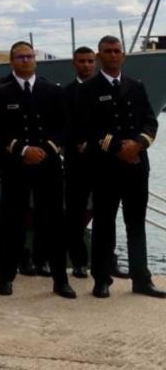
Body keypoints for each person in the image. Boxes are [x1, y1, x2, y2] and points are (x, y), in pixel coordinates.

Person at [77, 36, 164, 299]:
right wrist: (118, 147)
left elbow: (150, 121)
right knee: (104, 224)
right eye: (107, 51)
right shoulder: (88, 90)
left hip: (136, 166)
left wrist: (138, 143)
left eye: (117, 51)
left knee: (136, 223)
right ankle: (102, 279)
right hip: (105, 168)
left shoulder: (136, 86)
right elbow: (86, 130)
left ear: (123, 56)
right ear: (99, 55)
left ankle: (141, 279)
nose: (113, 55)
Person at [0, 42, 76, 299]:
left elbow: (64, 127)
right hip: (16, 167)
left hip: (48, 167)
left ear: (35, 60)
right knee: (11, 224)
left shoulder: (52, 90)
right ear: (12, 62)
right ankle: (6, 277)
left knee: (54, 224)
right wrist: (23, 151)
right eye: (20, 57)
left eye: (29, 56)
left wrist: (47, 149)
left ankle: (61, 280)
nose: (25, 60)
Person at [63, 46, 96, 278]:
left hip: (103, 162)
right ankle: (79, 262)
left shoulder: (105, 89)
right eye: (82, 61)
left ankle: (105, 262)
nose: (86, 65)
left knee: (105, 216)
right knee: (75, 216)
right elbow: (61, 125)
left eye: (90, 61)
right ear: (74, 63)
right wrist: (76, 141)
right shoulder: (66, 93)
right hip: (76, 163)